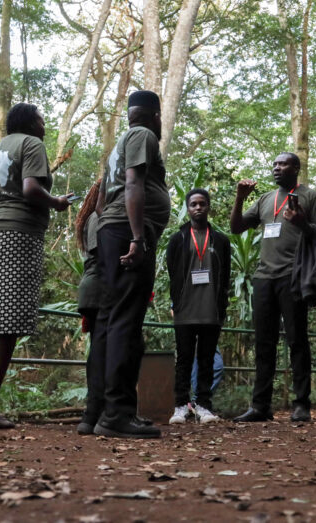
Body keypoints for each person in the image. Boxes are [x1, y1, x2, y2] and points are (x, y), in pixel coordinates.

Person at [0, 103, 71, 429]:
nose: (45, 128)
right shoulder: (31, 145)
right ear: (29, 123)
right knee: (8, 320)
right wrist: (58, 203)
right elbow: (31, 189)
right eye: (42, 121)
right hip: (18, 234)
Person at [91, 91, 172, 438]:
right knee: (125, 321)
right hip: (128, 232)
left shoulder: (118, 144)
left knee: (108, 321)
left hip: (112, 229)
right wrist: (137, 238)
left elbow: (98, 202)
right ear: (155, 116)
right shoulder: (143, 135)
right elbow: (134, 184)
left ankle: (96, 412)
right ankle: (118, 415)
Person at [230, 153, 316, 423]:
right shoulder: (265, 199)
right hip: (264, 278)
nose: (277, 168)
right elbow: (236, 227)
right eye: (274, 164)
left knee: (297, 340)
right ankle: (260, 406)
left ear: (296, 168)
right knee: (264, 343)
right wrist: (240, 197)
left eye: (283, 164)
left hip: (294, 276)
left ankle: (301, 404)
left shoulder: (310, 197)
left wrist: (302, 224)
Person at [166, 189, 232, 425]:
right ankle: (181, 406)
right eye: (193, 204)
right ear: (188, 208)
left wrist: (222, 306)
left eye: (202, 203)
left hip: (210, 310)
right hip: (185, 309)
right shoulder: (178, 239)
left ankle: (203, 405)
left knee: (205, 359)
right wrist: (175, 302)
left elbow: (226, 277)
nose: (198, 208)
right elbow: (172, 273)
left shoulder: (221, 240)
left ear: (208, 207)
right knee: (183, 359)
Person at [75, 181, 104, 435]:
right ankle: (93, 412)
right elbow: (101, 252)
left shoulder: (92, 216)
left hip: (96, 289)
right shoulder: (97, 217)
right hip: (99, 289)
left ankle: (95, 412)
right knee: (100, 352)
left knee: (100, 349)